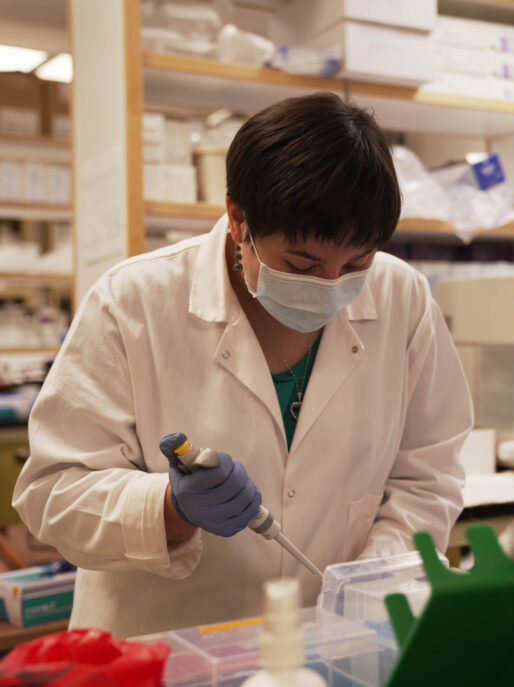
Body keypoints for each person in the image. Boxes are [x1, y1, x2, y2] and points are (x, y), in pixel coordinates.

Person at [12, 93, 473, 638]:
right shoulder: (132, 302)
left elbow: (428, 474)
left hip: (334, 646)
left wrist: (372, 578)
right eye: (301, 263)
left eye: (355, 264)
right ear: (238, 219)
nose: (330, 286)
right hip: (165, 651)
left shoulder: (404, 299)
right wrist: (168, 507)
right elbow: (53, 494)